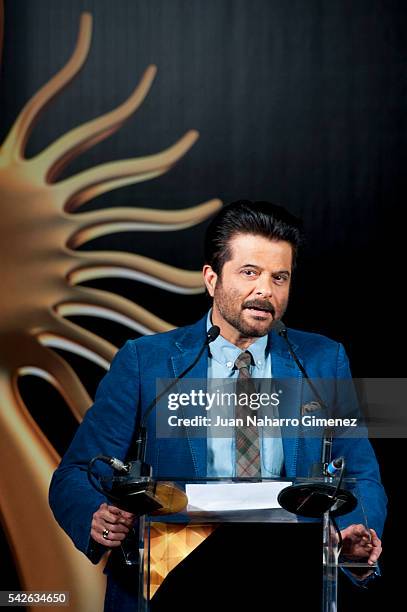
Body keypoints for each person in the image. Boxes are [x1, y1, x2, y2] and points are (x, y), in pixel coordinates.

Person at [49, 200, 387, 611]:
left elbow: (360, 474)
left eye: (280, 277)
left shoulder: (322, 360)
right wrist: (96, 516)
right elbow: (78, 471)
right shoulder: (146, 361)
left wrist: (354, 532)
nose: (265, 290)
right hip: (170, 577)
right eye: (250, 272)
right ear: (211, 278)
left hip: (291, 578)